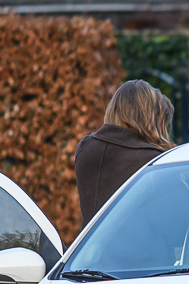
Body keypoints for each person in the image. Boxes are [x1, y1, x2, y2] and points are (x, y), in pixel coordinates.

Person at [74, 80, 176, 225]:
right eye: (163, 124)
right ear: (152, 121)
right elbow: (178, 224)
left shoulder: (85, 149)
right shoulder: (152, 160)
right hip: (142, 248)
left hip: (90, 246)